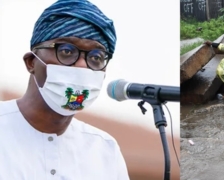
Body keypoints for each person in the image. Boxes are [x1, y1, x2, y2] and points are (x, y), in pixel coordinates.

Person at [0, 0, 130, 179]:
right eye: (67, 51)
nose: (83, 66)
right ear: (32, 62)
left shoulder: (105, 150)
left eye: (96, 57)